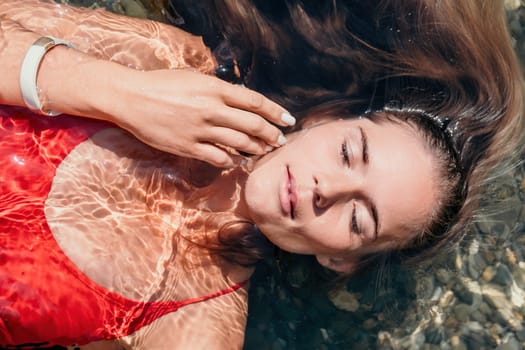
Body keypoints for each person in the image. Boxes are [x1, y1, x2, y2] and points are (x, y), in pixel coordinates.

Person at [0, 0, 522, 348]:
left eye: (359, 218)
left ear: (339, 259)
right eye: (348, 152)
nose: (329, 189)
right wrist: (117, 93)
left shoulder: (198, 326)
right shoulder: (172, 66)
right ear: (324, 121)